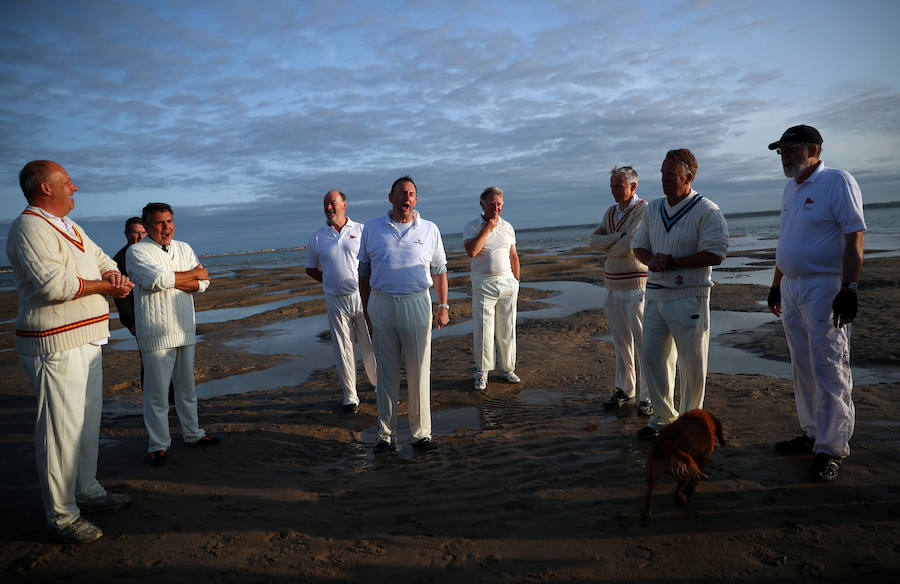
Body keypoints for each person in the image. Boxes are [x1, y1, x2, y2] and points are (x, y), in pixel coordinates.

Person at [8, 160, 134, 544]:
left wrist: (112, 275)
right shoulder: (28, 226)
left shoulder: (73, 227)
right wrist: (105, 287)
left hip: (89, 337)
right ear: (45, 188)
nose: (74, 187)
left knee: (86, 421)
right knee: (59, 430)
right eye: (67, 182)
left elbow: (104, 261)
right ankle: (61, 515)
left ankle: (87, 490)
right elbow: (53, 285)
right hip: (55, 342)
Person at [766, 125, 865, 482]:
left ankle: (833, 448)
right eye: (782, 151)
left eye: (791, 149)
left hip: (825, 287)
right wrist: (776, 285)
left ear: (814, 149)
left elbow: (855, 234)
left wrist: (849, 287)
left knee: (829, 365)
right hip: (792, 288)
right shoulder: (790, 190)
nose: (785, 156)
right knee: (802, 363)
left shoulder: (837, 182)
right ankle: (811, 433)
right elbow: (786, 240)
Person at [631, 149, 729, 440]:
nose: (664, 180)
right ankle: (662, 418)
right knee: (652, 359)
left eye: (670, 174)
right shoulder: (654, 208)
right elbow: (639, 245)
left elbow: (716, 252)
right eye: (662, 173)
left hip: (690, 295)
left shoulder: (707, 210)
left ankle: (690, 423)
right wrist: (651, 260)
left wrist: (672, 261)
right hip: (656, 295)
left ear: (688, 177)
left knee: (692, 364)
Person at [358, 176, 449, 453]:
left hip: (417, 302)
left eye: (410, 194)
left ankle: (421, 434)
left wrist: (443, 306)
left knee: (420, 369)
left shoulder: (430, 229)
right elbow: (363, 272)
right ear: (391, 197)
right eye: (401, 194)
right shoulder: (372, 228)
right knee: (385, 372)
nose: (405, 198)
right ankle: (386, 435)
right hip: (381, 303)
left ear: (416, 200)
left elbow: (439, 271)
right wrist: (367, 309)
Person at [127, 202, 219, 467]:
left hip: (184, 330)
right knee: (156, 395)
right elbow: (156, 281)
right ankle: (158, 445)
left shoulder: (184, 248)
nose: (166, 227)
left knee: (187, 389)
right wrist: (190, 276)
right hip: (155, 334)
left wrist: (183, 279)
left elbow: (203, 284)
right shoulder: (137, 252)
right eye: (159, 222)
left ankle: (193, 434)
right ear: (146, 226)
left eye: (169, 221)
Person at [305, 190, 377, 414]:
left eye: (332, 203)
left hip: (362, 296)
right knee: (343, 349)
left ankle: (380, 387)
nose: (328, 208)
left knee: (371, 346)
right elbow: (310, 269)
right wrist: (328, 281)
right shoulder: (317, 237)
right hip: (335, 301)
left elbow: (374, 261)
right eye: (325, 204)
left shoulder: (362, 230)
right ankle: (350, 396)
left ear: (344, 204)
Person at [589, 166, 653, 416]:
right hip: (612, 284)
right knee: (620, 342)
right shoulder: (610, 212)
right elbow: (593, 241)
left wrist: (612, 241)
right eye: (612, 186)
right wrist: (617, 238)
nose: (615, 191)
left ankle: (649, 397)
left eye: (619, 186)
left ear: (633, 187)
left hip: (636, 284)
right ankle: (625, 390)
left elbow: (631, 245)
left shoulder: (644, 209)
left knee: (644, 344)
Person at [463, 186, 521, 391]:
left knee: (507, 328)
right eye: (491, 204)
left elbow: (513, 255)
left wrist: (516, 281)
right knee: (484, 328)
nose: (496, 208)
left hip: (507, 283)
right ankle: (482, 371)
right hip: (483, 283)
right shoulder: (472, 226)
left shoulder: (508, 227)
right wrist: (487, 228)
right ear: (482, 204)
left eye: (499, 205)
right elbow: (472, 251)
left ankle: (507, 369)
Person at [112, 217, 147, 335]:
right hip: (139, 319)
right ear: (127, 234)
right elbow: (121, 295)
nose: (141, 237)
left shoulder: (155, 253)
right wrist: (131, 323)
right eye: (136, 233)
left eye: (144, 232)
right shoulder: (119, 260)